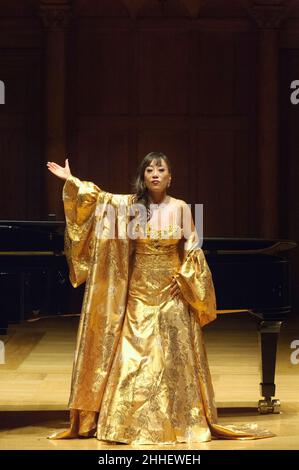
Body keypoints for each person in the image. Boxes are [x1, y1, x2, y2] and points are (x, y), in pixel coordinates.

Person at [46, 152, 274, 444]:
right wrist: (72, 181)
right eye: (149, 170)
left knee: (172, 357)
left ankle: (178, 421)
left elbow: (193, 241)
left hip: (172, 289)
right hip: (139, 293)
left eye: (160, 169)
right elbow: (100, 199)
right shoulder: (131, 206)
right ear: (143, 177)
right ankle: (126, 425)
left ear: (170, 177)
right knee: (133, 357)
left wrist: (189, 272)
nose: (154, 174)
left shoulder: (180, 207)